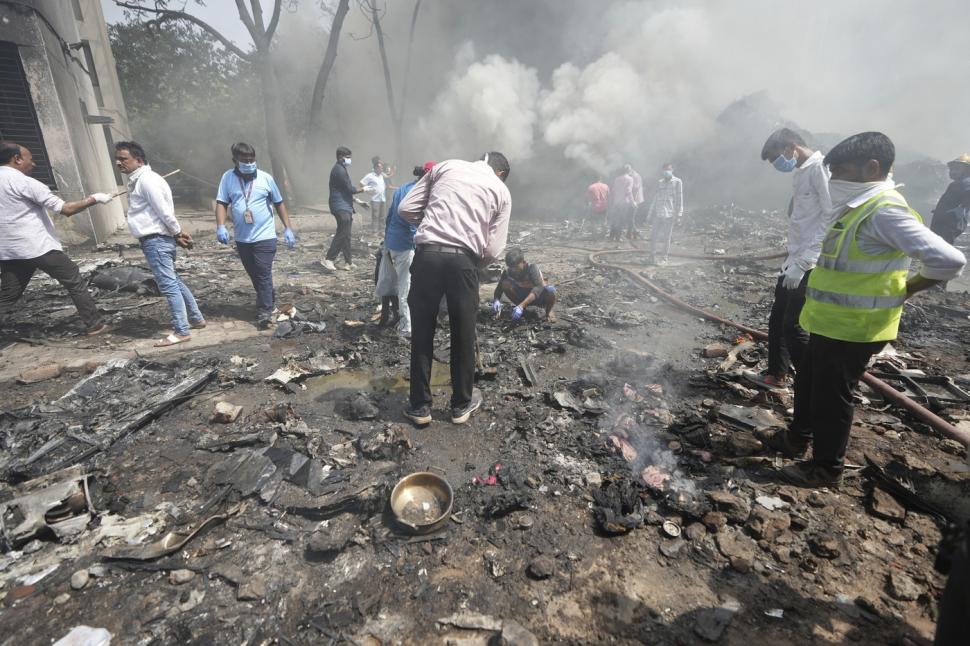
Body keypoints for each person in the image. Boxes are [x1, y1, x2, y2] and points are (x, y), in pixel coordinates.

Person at [760, 132, 966, 487]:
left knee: (832, 398)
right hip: (828, 321)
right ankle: (796, 439)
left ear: (871, 168)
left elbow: (949, 260)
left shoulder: (885, 211)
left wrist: (910, 288)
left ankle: (826, 469)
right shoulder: (856, 207)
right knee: (809, 382)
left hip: (856, 327)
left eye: (840, 172)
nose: (834, 180)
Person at [398, 152, 512, 426]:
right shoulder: (501, 190)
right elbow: (494, 249)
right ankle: (460, 406)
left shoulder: (445, 167)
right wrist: (470, 262)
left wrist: (434, 227)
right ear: (500, 173)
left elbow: (406, 208)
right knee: (463, 335)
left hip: (427, 256)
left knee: (422, 332)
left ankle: (420, 408)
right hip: (464, 262)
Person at [747, 129, 833, 390]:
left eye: (776, 158)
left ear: (791, 146)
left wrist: (805, 262)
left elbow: (831, 218)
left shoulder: (820, 169)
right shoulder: (801, 172)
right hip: (793, 259)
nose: (777, 165)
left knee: (793, 325)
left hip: (808, 262)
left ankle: (815, 386)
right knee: (778, 318)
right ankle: (776, 374)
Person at [0, 141, 111, 335]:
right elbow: (66, 209)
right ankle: (95, 324)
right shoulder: (25, 182)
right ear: (16, 159)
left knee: (9, 295)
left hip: (10, 251)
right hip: (38, 247)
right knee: (74, 279)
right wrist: (95, 198)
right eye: (30, 159)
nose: (33, 164)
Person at [115, 141, 204, 347]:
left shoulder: (147, 181)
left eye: (123, 159)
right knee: (174, 280)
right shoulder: (141, 180)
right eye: (117, 159)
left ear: (139, 160)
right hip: (157, 239)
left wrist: (177, 232)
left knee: (168, 285)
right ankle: (196, 318)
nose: (119, 163)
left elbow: (164, 212)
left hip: (156, 240)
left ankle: (181, 331)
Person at [215, 142, 296, 329]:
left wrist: (288, 228)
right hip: (242, 238)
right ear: (235, 160)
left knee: (263, 272)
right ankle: (270, 301)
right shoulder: (227, 178)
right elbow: (221, 202)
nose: (249, 163)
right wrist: (220, 226)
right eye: (245, 160)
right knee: (255, 274)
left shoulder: (266, 178)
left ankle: (264, 312)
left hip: (265, 236)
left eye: (252, 160)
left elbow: (279, 202)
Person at [375, 162, 433, 337]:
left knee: (398, 284)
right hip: (405, 244)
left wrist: (386, 241)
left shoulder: (403, 188)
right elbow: (413, 221)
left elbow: (390, 216)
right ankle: (406, 327)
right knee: (405, 287)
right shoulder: (421, 193)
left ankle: (396, 317)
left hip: (393, 242)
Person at [322, 146, 364, 272]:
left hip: (345, 205)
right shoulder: (339, 170)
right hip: (340, 206)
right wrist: (364, 189)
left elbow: (344, 190)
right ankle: (329, 259)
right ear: (340, 157)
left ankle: (348, 262)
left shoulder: (342, 169)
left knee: (346, 234)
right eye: (348, 157)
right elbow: (349, 189)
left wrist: (358, 201)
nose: (349, 160)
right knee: (343, 231)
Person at [491, 248, 558, 323]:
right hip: (522, 295)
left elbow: (538, 288)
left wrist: (522, 305)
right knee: (505, 284)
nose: (513, 270)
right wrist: (496, 300)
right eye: (511, 267)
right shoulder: (508, 271)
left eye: (516, 267)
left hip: (538, 296)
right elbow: (499, 288)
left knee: (551, 291)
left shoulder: (531, 268)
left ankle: (548, 312)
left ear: (524, 262)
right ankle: (521, 308)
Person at [929, 153, 970, 246]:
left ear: (967, 170)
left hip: (948, 224)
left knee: (940, 246)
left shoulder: (966, 182)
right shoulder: (956, 184)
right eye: (952, 169)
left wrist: (962, 207)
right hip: (944, 222)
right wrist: (940, 210)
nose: (953, 171)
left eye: (957, 169)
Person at [647, 163, 684, 264]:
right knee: (653, 236)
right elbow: (655, 198)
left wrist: (679, 214)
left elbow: (679, 199)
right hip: (658, 213)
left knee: (667, 237)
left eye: (668, 169)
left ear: (672, 170)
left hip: (669, 214)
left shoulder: (677, 182)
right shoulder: (660, 182)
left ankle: (664, 258)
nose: (666, 172)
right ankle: (651, 257)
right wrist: (650, 213)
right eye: (664, 170)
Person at [360, 156, 392, 232]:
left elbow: (387, 177)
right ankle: (374, 231)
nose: (382, 169)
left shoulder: (381, 176)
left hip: (382, 199)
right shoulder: (370, 175)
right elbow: (361, 184)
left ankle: (382, 231)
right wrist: (368, 191)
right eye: (381, 168)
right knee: (375, 216)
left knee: (382, 216)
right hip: (375, 200)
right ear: (376, 168)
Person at [609, 166, 635, 242]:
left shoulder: (617, 179)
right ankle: (618, 237)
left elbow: (613, 190)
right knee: (621, 220)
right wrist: (633, 202)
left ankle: (611, 236)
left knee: (615, 219)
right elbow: (629, 191)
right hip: (624, 202)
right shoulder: (630, 179)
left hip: (616, 201)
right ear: (629, 171)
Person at [629, 165, 644, 239]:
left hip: (636, 200)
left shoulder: (636, 176)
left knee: (631, 217)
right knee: (630, 217)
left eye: (628, 168)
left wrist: (633, 201)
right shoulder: (632, 175)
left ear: (632, 168)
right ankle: (633, 233)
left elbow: (636, 187)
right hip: (633, 199)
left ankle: (635, 232)